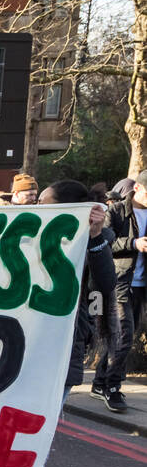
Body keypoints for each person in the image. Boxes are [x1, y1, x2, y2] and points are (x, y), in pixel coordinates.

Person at [0, 180, 114, 467]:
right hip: (15, 348)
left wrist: (93, 237)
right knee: (9, 426)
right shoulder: (23, 234)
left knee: (39, 433)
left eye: (46, 202)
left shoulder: (89, 243)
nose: (38, 206)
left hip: (60, 352)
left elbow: (104, 286)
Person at [91, 174, 147, 413]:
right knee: (123, 336)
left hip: (141, 284)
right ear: (137, 188)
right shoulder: (115, 212)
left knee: (121, 336)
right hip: (119, 282)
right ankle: (112, 387)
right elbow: (105, 242)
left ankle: (98, 381)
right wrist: (134, 244)